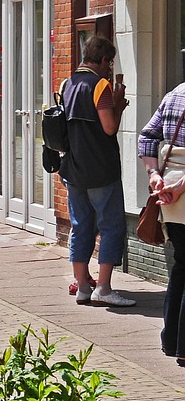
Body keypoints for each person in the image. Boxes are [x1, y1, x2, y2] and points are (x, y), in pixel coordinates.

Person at [61, 36, 133, 307]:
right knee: (111, 226)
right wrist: (117, 104)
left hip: (74, 169)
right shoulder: (99, 85)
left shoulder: (68, 83)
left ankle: (81, 287)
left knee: (80, 227)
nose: (110, 68)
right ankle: (103, 287)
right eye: (109, 62)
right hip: (100, 170)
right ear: (102, 60)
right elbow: (109, 127)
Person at [140, 82, 185, 361]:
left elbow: (146, 137)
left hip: (167, 194)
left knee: (181, 264)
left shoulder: (175, 94)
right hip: (177, 189)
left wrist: (154, 175)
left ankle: (171, 341)